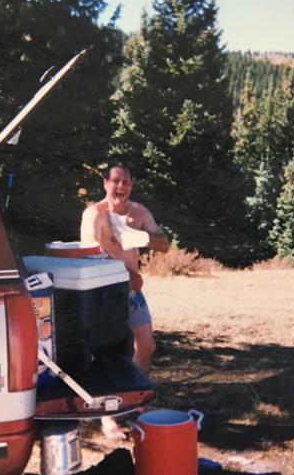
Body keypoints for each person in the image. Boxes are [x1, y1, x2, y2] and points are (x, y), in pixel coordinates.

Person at [80, 162, 170, 440]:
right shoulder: (94, 214)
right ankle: (107, 418)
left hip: (131, 293)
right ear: (105, 183)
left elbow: (164, 244)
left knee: (145, 345)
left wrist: (141, 236)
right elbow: (88, 255)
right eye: (116, 181)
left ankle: (140, 403)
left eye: (126, 182)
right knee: (106, 354)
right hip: (103, 292)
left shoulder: (139, 212)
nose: (121, 187)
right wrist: (127, 273)